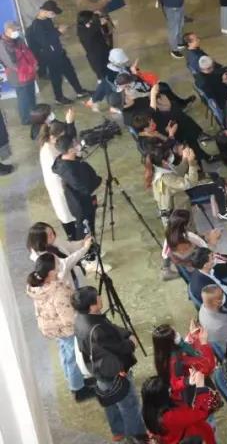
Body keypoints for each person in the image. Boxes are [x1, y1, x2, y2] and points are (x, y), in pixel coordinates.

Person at [71, 286, 149, 441]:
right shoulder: (98, 329)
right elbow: (120, 347)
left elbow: (110, 327)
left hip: (98, 369)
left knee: (110, 401)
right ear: (92, 306)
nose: (100, 297)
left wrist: (126, 333)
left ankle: (118, 431)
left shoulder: (81, 318)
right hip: (114, 371)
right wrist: (132, 342)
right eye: (97, 296)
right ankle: (138, 437)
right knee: (129, 405)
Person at [25, 254, 95, 402]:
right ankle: (78, 389)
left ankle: (72, 378)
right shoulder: (57, 291)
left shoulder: (37, 287)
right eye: (57, 264)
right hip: (64, 328)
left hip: (51, 327)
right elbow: (68, 319)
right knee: (73, 357)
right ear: (51, 272)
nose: (59, 265)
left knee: (65, 352)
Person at [27, 1, 91, 103]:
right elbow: (44, 42)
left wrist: (58, 30)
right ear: (45, 11)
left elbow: (50, 33)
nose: (54, 15)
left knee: (70, 72)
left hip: (59, 52)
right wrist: (58, 31)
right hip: (51, 56)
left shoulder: (47, 19)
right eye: (53, 13)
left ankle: (79, 91)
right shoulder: (37, 25)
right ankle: (59, 98)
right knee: (56, 77)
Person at [151, 321, 216, 405]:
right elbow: (207, 366)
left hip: (187, 383)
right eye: (174, 333)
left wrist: (192, 335)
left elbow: (187, 346)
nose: (177, 333)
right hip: (190, 392)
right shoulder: (175, 361)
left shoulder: (163, 354)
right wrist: (204, 343)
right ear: (171, 341)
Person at [38, 115, 82, 237]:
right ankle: (75, 239)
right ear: (52, 137)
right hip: (60, 187)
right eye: (61, 136)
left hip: (63, 185)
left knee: (69, 213)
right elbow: (62, 168)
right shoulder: (49, 152)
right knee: (68, 215)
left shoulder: (51, 144)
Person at [140, 374, 215, 444]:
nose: (170, 389)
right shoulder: (170, 417)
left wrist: (187, 381)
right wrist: (201, 389)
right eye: (168, 390)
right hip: (191, 438)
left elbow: (173, 388)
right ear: (163, 397)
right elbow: (201, 412)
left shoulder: (150, 409)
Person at [52, 135, 100, 241]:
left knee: (88, 225)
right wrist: (97, 181)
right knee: (86, 230)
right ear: (70, 150)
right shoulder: (71, 171)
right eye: (75, 144)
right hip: (82, 204)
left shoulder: (62, 161)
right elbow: (85, 188)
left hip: (81, 200)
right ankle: (89, 248)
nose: (78, 144)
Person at [0, 20, 38, 124]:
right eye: (15, 29)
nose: (17, 31)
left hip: (28, 72)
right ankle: (25, 119)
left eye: (18, 29)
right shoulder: (2, 44)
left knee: (31, 94)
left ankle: (35, 113)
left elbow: (28, 52)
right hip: (17, 76)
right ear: (8, 30)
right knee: (23, 98)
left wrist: (33, 64)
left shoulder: (18, 39)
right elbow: (11, 63)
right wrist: (28, 68)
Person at [75, 10, 113, 81]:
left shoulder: (85, 26)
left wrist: (96, 15)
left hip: (103, 50)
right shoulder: (84, 32)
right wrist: (97, 17)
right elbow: (96, 25)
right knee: (103, 76)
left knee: (110, 69)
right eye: (91, 19)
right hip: (97, 58)